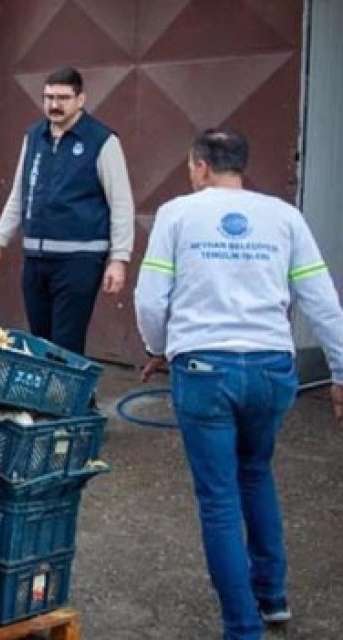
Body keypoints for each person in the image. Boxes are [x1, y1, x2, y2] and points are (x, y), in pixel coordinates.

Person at [135, 128, 343, 640]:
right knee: (256, 473)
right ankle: (272, 599)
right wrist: (340, 373)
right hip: (272, 370)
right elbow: (322, 301)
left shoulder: (178, 214)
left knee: (220, 499)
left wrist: (157, 346)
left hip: (205, 371)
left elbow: (149, 299)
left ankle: (242, 628)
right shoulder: (284, 216)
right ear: (240, 167)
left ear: (200, 166)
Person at [0, 66, 134, 356]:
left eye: (63, 98)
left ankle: (74, 400)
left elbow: (121, 202)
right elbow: (19, 193)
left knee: (66, 342)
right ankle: (46, 400)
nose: (54, 105)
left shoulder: (102, 141)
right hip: (36, 258)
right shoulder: (34, 137)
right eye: (49, 97)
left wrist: (119, 259)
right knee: (40, 340)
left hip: (80, 258)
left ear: (81, 99)